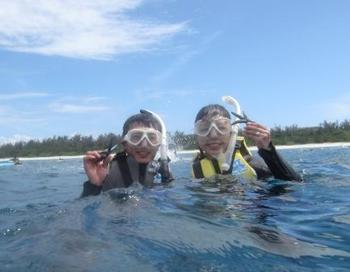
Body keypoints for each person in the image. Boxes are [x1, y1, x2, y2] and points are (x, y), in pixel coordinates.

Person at [192, 104, 302, 181]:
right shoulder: (197, 171)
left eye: (221, 128)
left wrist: (268, 151)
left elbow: (294, 183)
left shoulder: (252, 164)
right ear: (196, 136)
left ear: (232, 132)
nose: (213, 135)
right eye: (203, 129)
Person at [81, 111, 173, 197]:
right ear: (125, 143)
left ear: (159, 144)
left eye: (152, 137)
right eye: (136, 137)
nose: (144, 145)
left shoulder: (161, 169)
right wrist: (94, 184)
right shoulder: (108, 170)